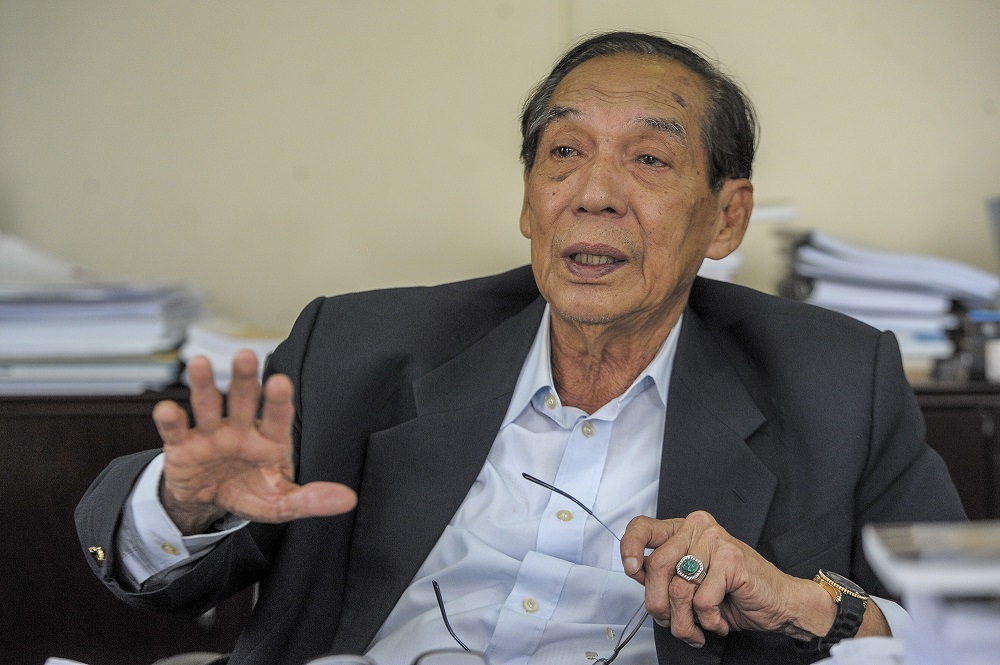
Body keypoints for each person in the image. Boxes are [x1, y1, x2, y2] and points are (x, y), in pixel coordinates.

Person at [76, 31, 965, 665]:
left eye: (649, 160)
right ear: (528, 200)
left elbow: (955, 627)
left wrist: (803, 601)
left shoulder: (840, 380)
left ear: (726, 216)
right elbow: (164, 580)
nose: (595, 193)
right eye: (563, 152)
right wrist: (185, 507)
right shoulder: (352, 348)